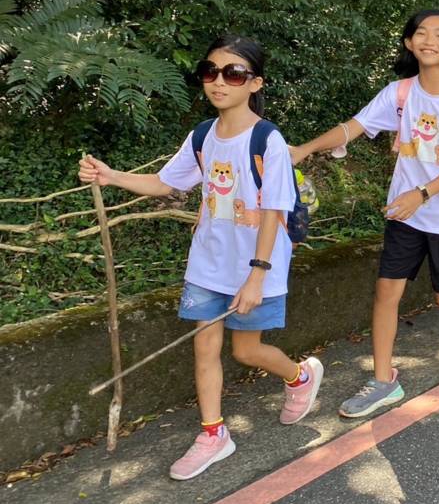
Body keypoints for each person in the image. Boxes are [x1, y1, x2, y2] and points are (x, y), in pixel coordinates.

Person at [79, 35, 319, 480]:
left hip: (255, 266)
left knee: (247, 351)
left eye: (233, 73)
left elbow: (273, 212)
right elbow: (166, 183)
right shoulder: (203, 135)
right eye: (210, 72)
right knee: (204, 345)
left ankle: (299, 376)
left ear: (254, 83)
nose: (219, 82)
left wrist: (256, 276)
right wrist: (110, 176)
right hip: (208, 262)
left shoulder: (268, 140)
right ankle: (214, 434)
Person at [293, 10, 439, 419]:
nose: (429, 39)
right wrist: (305, 149)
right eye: (421, 33)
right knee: (386, 293)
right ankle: (385, 381)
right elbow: (354, 127)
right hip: (405, 211)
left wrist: (422, 193)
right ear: (408, 43)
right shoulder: (399, 93)